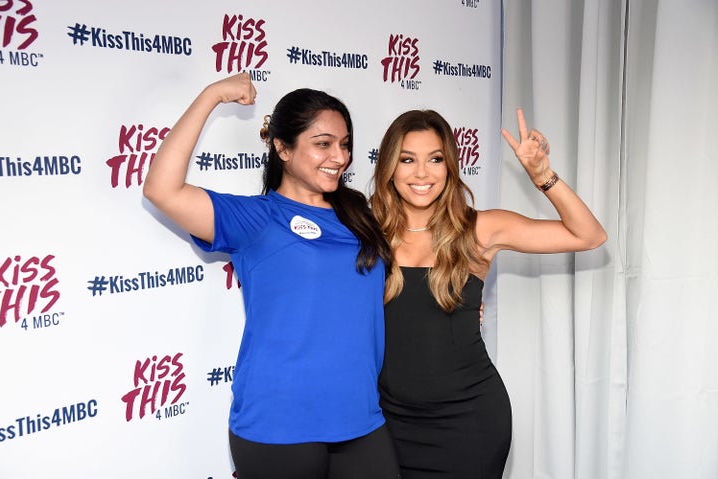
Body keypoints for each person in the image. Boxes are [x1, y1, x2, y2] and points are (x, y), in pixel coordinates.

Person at [143, 73, 400, 479]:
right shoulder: (258, 218)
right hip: (278, 425)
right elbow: (162, 189)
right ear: (281, 147)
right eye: (323, 144)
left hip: (360, 419)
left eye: (344, 144)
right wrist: (211, 95)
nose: (339, 156)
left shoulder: (360, 217)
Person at [370, 108, 607, 478]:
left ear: (449, 166)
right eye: (407, 160)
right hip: (388, 422)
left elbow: (589, 236)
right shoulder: (364, 231)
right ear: (389, 166)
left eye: (435, 159)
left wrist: (542, 175)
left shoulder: (480, 229)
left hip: (469, 422)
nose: (421, 173)